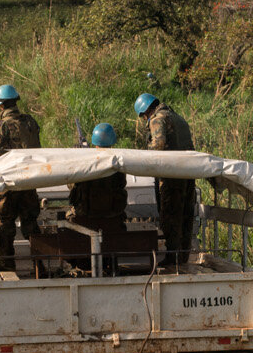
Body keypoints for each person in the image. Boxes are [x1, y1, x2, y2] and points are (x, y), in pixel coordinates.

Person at [134, 93, 196, 265]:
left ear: (146, 111)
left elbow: (158, 146)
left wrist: (144, 154)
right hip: (189, 175)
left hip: (172, 177)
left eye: (143, 116)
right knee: (186, 216)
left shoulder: (157, 119)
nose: (144, 119)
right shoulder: (178, 118)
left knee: (171, 216)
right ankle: (182, 257)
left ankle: (172, 258)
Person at [0, 84, 43, 270]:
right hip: (30, 180)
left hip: (11, 183)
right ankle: (40, 265)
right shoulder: (30, 121)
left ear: (0, 105)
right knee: (31, 225)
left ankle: (7, 266)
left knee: (5, 225)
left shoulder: (2, 126)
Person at [67, 122, 129, 243]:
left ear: (94, 143)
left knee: (68, 215)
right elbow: (122, 184)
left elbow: (71, 185)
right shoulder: (118, 162)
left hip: (85, 213)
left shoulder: (86, 162)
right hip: (112, 213)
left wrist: (77, 157)